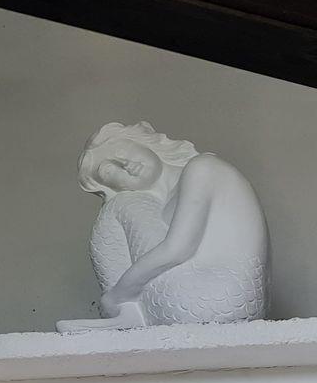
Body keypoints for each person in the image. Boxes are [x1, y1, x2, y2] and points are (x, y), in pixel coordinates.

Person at [59, 122, 267, 331]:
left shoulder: (203, 167)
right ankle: (128, 313)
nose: (123, 163)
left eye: (122, 150)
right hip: (219, 301)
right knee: (121, 202)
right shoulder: (164, 200)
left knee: (119, 205)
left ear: (144, 142)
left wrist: (115, 295)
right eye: (108, 171)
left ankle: (123, 311)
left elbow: (177, 249)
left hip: (209, 299)